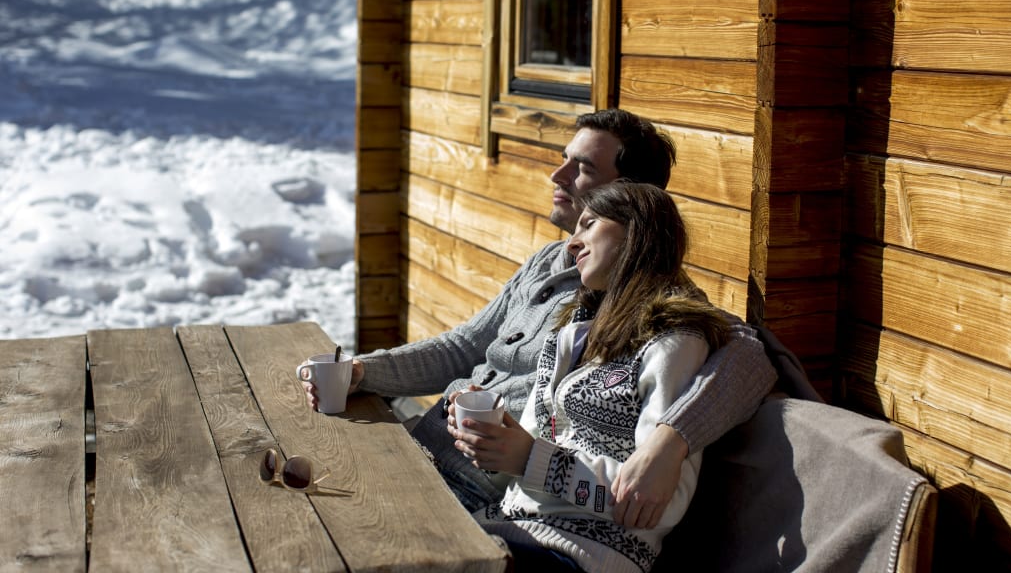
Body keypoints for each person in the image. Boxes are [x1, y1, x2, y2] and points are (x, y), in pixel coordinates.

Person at [304, 109, 778, 523]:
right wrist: (364, 371)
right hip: (430, 441)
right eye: (564, 158)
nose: (558, 175)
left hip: (484, 485)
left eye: (583, 168)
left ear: (629, 195)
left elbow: (751, 356)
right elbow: (463, 346)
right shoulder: (549, 261)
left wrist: (670, 441)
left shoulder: (650, 299)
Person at [452, 180, 739, 572]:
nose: (572, 244)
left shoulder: (674, 341)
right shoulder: (569, 338)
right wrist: (493, 442)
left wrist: (532, 458)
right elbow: (529, 461)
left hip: (583, 554)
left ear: (635, 232)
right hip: (507, 528)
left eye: (588, 224)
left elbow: (663, 502)